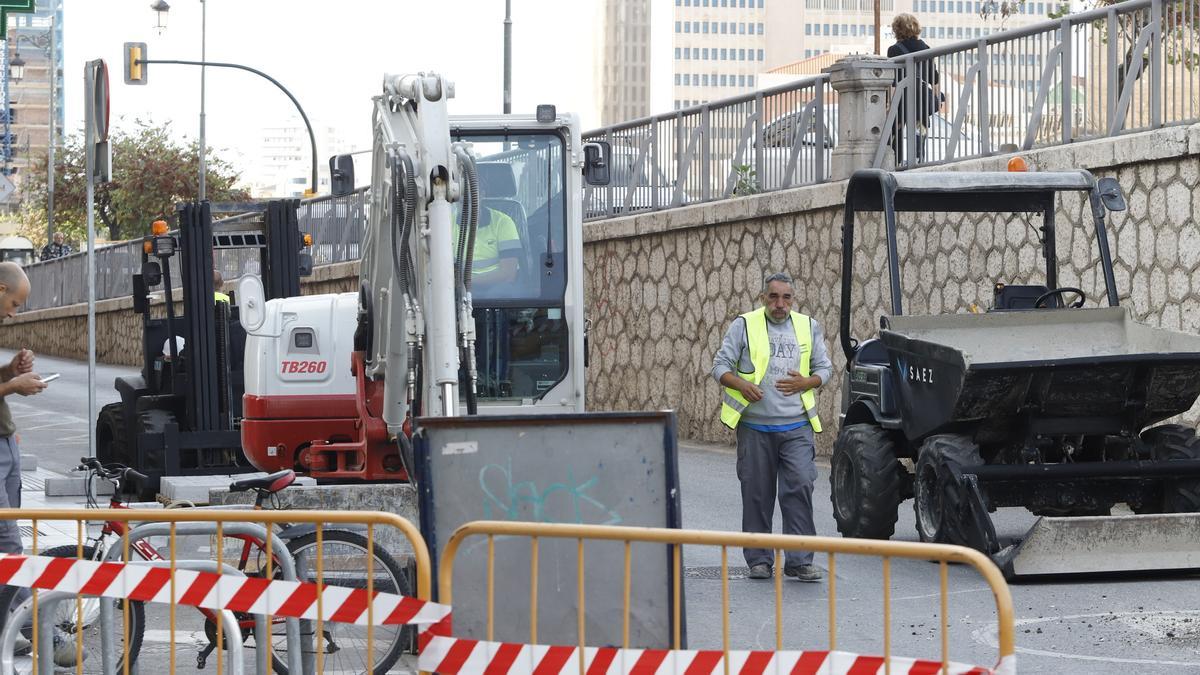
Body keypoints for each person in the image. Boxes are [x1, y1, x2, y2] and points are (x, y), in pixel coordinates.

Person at [712, 272, 832, 582]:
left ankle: (799, 560)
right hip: (755, 428)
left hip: (796, 428)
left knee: (801, 486)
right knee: (756, 494)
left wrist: (808, 382)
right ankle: (759, 560)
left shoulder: (808, 327)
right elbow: (720, 366)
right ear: (764, 297)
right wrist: (740, 384)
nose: (780, 304)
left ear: (793, 299)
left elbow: (825, 368)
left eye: (786, 298)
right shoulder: (745, 325)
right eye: (774, 297)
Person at [887, 13, 942, 165]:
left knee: (896, 126)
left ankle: (896, 161)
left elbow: (893, 80)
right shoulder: (925, 48)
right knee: (920, 125)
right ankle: (918, 159)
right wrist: (937, 98)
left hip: (903, 95)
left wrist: (889, 104)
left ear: (897, 30)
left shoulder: (894, 50)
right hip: (922, 95)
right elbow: (934, 78)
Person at [452, 206, 521, 285]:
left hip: (498, 284)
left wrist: (468, 281)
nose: (465, 200)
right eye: (461, 197)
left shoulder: (503, 222)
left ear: (481, 194)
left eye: (472, 197)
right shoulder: (447, 224)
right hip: (462, 286)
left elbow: (509, 275)